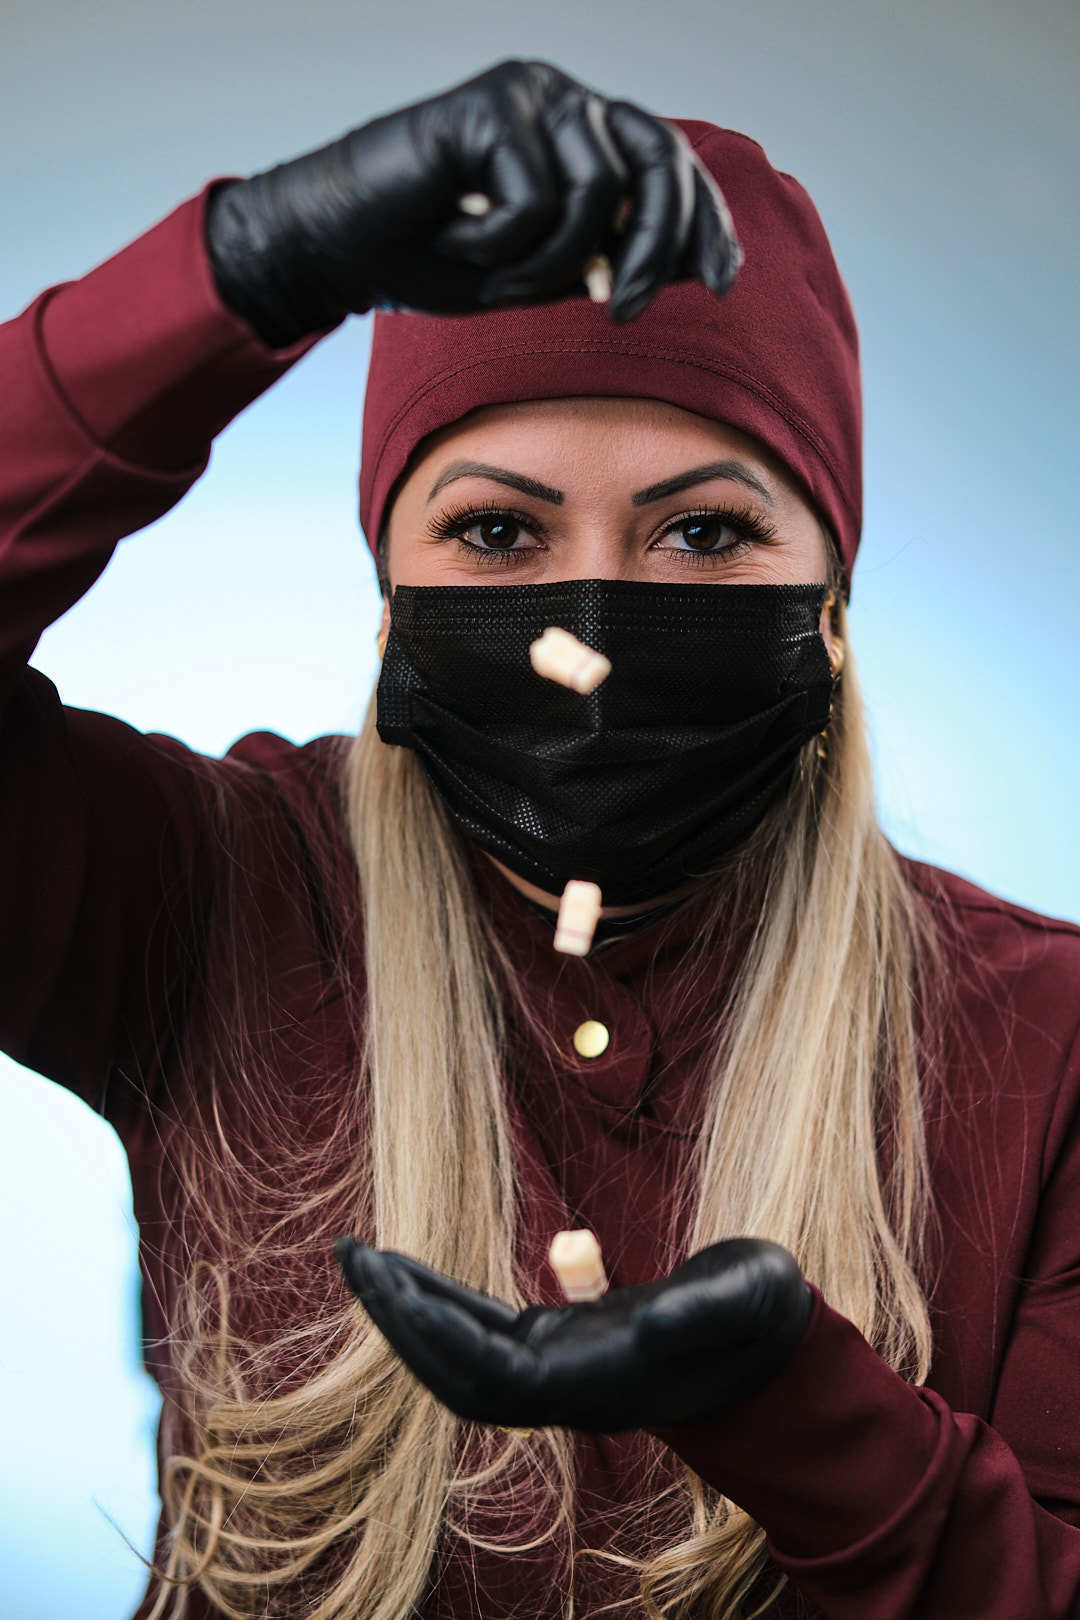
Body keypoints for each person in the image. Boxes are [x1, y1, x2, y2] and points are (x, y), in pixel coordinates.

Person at [2, 55, 1079, 1620]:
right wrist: (237, 274)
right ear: (391, 599)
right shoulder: (214, 898)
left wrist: (806, 1418)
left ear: (831, 605)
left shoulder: (1044, 1044)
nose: (589, 621)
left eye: (705, 532)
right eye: (497, 532)